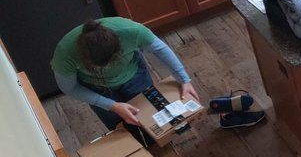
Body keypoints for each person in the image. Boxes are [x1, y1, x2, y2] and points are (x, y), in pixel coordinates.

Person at [51, 17, 264, 133]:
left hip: (135, 75)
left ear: (118, 44)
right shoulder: (65, 53)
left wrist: (185, 80)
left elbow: (160, 49)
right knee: (123, 130)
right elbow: (69, 88)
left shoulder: (130, 31)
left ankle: (216, 116)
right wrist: (111, 105)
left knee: (157, 118)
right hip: (97, 90)